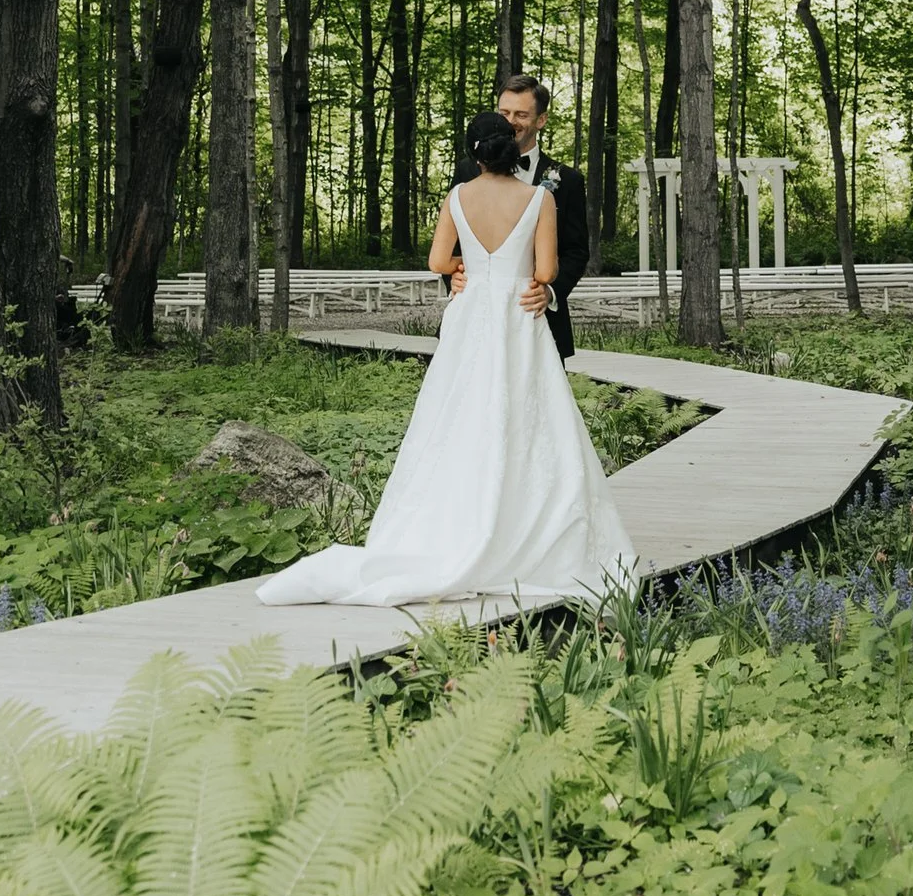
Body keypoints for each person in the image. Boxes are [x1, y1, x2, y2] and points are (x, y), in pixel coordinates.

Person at [254, 109, 638, 613]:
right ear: (510, 147)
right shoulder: (539, 198)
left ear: (474, 153)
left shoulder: (456, 197)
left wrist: (464, 268)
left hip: (470, 315)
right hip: (519, 318)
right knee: (529, 417)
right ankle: (525, 533)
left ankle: (457, 524)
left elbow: (437, 262)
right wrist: (521, 275)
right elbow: (546, 269)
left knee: (457, 415)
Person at [488, 71, 588, 360]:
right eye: (504, 112)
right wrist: (454, 277)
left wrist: (550, 293)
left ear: (540, 120)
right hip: (481, 316)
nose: (510, 122)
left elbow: (576, 251)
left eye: (521, 114)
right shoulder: (468, 173)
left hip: (539, 317)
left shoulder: (567, 180)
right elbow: (454, 246)